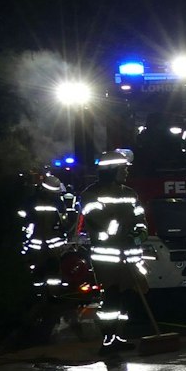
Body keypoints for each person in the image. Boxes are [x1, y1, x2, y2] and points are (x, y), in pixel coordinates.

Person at [79, 152, 147, 357]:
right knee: (112, 297)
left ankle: (118, 335)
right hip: (107, 258)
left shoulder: (130, 194)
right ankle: (107, 338)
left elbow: (140, 219)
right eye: (122, 168)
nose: (126, 171)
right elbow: (98, 219)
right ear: (111, 171)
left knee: (127, 297)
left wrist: (138, 234)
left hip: (129, 255)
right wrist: (119, 232)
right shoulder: (90, 195)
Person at [18, 160, 79, 296]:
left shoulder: (32, 201)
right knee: (53, 270)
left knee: (38, 270)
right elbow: (64, 223)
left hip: (36, 244)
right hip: (52, 245)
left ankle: (39, 294)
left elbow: (24, 221)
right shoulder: (57, 203)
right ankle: (52, 295)